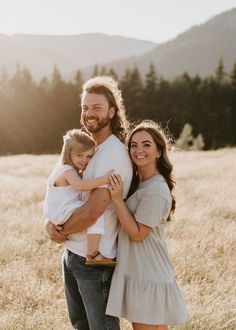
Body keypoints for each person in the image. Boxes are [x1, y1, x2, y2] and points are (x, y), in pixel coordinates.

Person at [45, 76, 133, 330]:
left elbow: (93, 211)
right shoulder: (84, 149)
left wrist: (60, 229)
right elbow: (59, 189)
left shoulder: (113, 154)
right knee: (81, 325)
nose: (89, 113)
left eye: (96, 107)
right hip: (72, 254)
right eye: (85, 107)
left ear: (112, 112)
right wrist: (49, 224)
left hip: (94, 263)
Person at [106, 120, 189, 330]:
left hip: (147, 274)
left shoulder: (156, 190)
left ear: (159, 151)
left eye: (146, 144)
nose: (138, 150)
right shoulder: (139, 182)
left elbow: (136, 233)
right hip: (142, 271)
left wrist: (117, 200)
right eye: (133, 145)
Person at [43, 128, 115, 265]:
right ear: (68, 153)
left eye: (89, 156)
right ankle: (93, 254)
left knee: (91, 212)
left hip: (56, 212)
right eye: (80, 156)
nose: (85, 160)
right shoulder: (67, 170)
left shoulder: (62, 168)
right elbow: (81, 186)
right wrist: (104, 180)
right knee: (95, 214)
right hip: (62, 210)